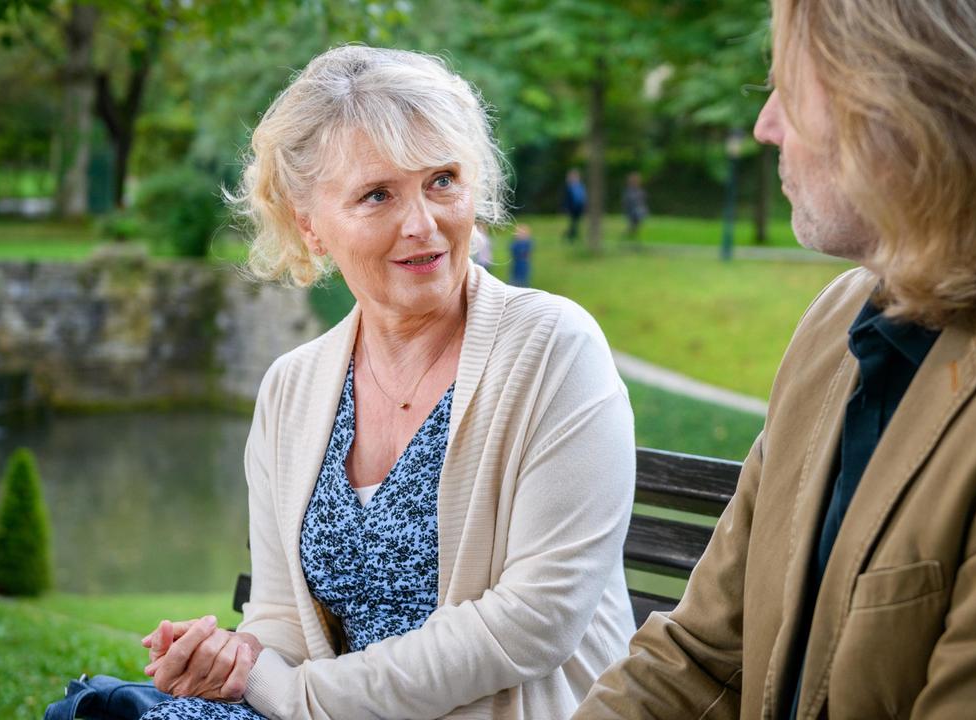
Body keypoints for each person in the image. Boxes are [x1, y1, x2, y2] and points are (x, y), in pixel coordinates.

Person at [574, 0, 976, 718]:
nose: (766, 126)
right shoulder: (842, 321)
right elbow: (701, 663)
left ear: (909, 102)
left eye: (789, 90)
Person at [138, 45, 637, 720]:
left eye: (442, 181)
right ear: (308, 225)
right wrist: (233, 657)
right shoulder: (291, 388)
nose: (422, 225)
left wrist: (293, 693)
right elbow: (284, 617)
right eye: (378, 195)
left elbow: (531, 622)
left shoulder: (553, 348)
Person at [621, 172, 647, 241]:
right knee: (633, 228)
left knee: (634, 228)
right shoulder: (629, 191)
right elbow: (627, 203)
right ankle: (628, 239)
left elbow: (642, 201)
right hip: (633, 212)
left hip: (638, 212)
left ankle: (629, 239)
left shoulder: (639, 191)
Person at [562, 168, 586, 242]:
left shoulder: (579, 186)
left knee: (575, 222)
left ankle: (572, 234)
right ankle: (571, 235)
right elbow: (567, 199)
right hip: (573, 208)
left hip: (578, 207)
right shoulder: (570, 187)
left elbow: (582, 197)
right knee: (573, 222)